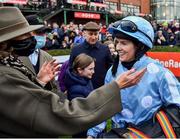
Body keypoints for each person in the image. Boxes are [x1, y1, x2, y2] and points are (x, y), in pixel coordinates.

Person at [0, 7, 146, 137]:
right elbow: (61, 114)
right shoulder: (5, 75)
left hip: (96, 93)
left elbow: (29, 104)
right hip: (85, 101)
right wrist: (115, 87)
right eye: (25, 34)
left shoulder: (11, 62)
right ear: (6, 42)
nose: (31, 38)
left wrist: (38, 82)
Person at [87, 16, 180, 138]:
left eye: (124, 43)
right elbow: (104, 107)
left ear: (140, 46)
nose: (118, 47)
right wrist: (92, 134)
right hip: (120, 134)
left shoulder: (160, 73)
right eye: (117, 42)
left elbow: (177, 107)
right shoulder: (112, 72)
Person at [17, 14, 58, 93]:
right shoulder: (12, 57)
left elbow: (54, 87)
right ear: (26, 32)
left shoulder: (48, 57)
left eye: (45, 32)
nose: (43, 36)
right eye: (39, 32)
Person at [69, 21, 113, 89]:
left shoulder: (104, 49)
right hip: (82, 89)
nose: (93, 37)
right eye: (90, 34)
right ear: (84, 34)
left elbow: (110, 68)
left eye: (96, 34)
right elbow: (71, 70)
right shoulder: (76, 49)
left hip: (101, 88)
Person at [64, 53, 95, 137]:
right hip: (83, 130)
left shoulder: (85, 79)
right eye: (90, 69)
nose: (93, 71)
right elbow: (81, 114)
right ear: (80, 70)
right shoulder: (75, 90)